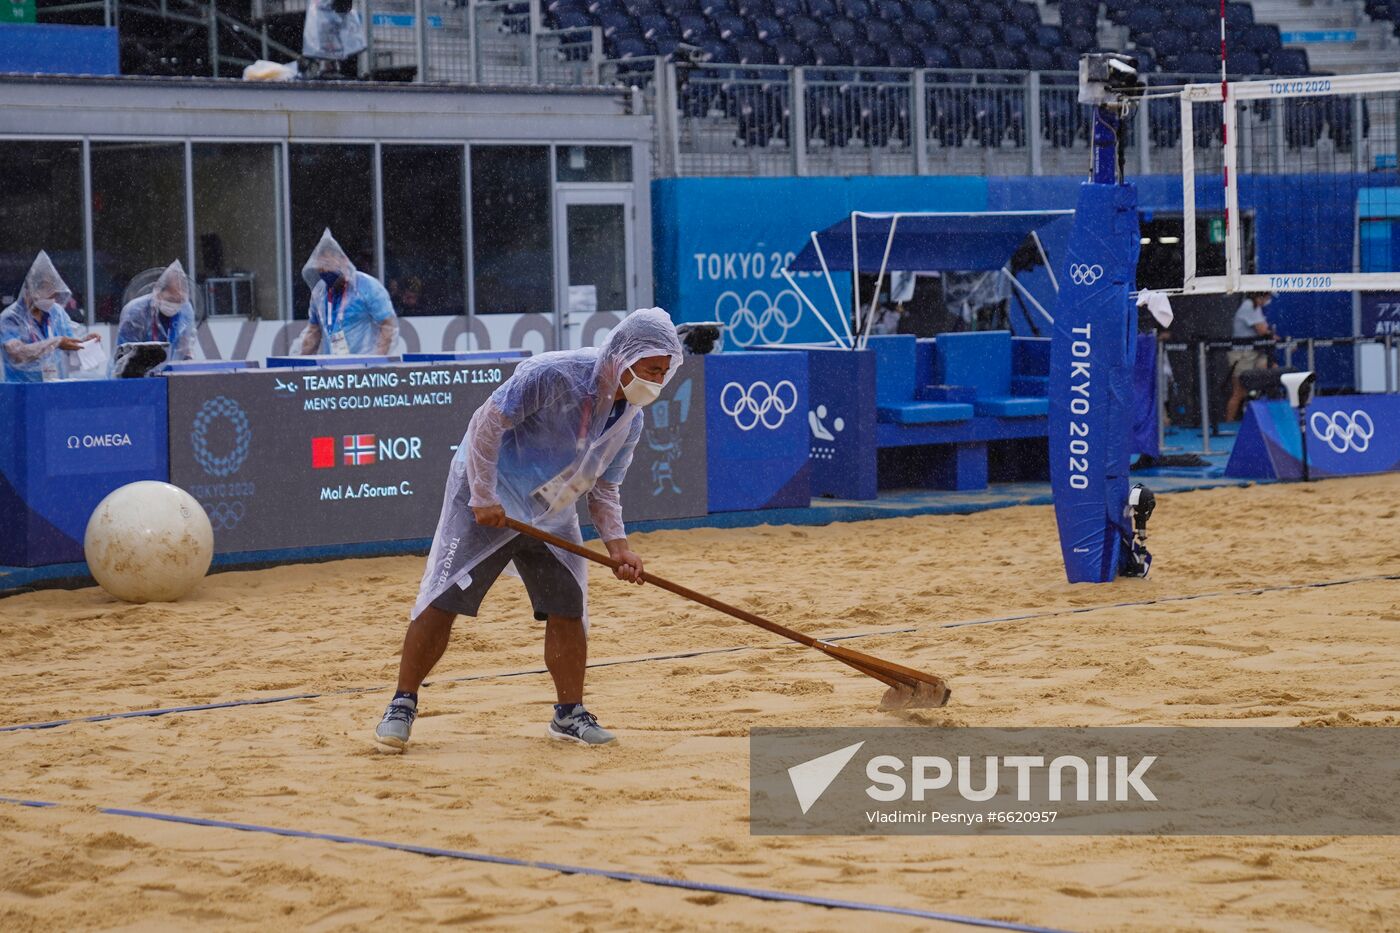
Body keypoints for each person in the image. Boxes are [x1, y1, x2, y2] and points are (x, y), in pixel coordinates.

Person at [375, 308, 683, 751]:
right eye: (651, 369)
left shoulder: (630, 419)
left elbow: (604, 488)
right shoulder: (553, 373)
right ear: (624, 356)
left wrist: (619, 548)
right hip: (488, 496)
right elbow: (486, 423)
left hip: (551, 509)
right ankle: (402, 703)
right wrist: (482, 495)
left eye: (663, 372)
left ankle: (569, 713)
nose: (656, 381)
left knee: (568, 605)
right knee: (443, 598)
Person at [295, 229, 398, 356]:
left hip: (363, 368)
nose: (324, 271)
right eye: (320, 268)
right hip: (331, 370)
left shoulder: (368, 286)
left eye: (328, 264)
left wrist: (375, 363)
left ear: (343, 260)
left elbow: (388, 326)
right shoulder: (320, 292)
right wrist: (299, 365)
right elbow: (313, 332)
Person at [1, 251, 98, 383]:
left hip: (55, 387)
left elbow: (69, 339)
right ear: (30, 289)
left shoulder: (56, 313)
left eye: (54, 289)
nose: (53, 295)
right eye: (46, 289)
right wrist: (55, 343)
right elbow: (17, 354)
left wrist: (85, 341)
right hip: (22, 391)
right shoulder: (11, 318)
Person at [115, 260, 197, 370]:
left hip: (171, 375)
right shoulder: (136, 312)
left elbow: (185, 347)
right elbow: (125, 355)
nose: (175, 304)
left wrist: (187, 359)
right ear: (158, 292)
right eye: (171, 299)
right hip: (134, 375)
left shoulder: (186, 310)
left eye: (180, 300)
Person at [1225, 292, 1278, 421]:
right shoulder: (1249, 306)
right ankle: (1227, 424)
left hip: (1253, 354)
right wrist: (1272, 334)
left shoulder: (1257, 308)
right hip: (1241, 354)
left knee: (1273, 369)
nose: (1268, 300)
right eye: (1268, 297)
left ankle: (1269, 414)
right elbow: (1262, 330)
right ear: (1259, 296)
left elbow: (1266, 331)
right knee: (1239, 392)